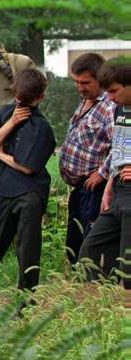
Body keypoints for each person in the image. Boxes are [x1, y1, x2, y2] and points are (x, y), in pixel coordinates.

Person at [0, 69, 56, 303]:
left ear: (39, 98)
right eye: (18, 98)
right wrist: (12, 123)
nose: (21, 103)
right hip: (6, 190)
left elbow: (27, 167)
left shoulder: (41, 128)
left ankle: (26, 302)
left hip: (31, 194)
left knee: (27, 251)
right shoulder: (6, 114)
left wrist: (1, 153)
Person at [59, 53, 116, 263]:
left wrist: (101, 174)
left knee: (90, 242)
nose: (80, 87)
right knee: (73, 241)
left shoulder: (109, 106)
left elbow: (121, 145)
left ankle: (92, 285)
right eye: (76, 82)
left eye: (85, 82)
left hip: (95, 187)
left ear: (99, 79)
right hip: (79, 186)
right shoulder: (85, 102)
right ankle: (77, 283)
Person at [79, 62, 131, 286]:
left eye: (113, 91)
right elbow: (118, 150)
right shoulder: (119, 109)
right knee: (90, 249)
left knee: (127, 264)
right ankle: (106, 301)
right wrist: (108, 188)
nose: (109, 98)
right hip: (118, 190)